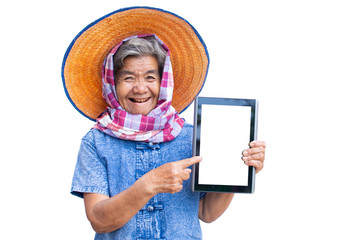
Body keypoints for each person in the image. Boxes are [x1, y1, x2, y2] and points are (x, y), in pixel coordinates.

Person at [62, 7, 265, 240]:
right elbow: (99, 220)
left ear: (164, 82)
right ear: (112, 83)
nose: (140, 88)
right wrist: (147, 184)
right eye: (128, 78)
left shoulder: (191, 136)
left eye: (150, 77)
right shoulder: (96, 142)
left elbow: (207, 212)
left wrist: (238, 169)